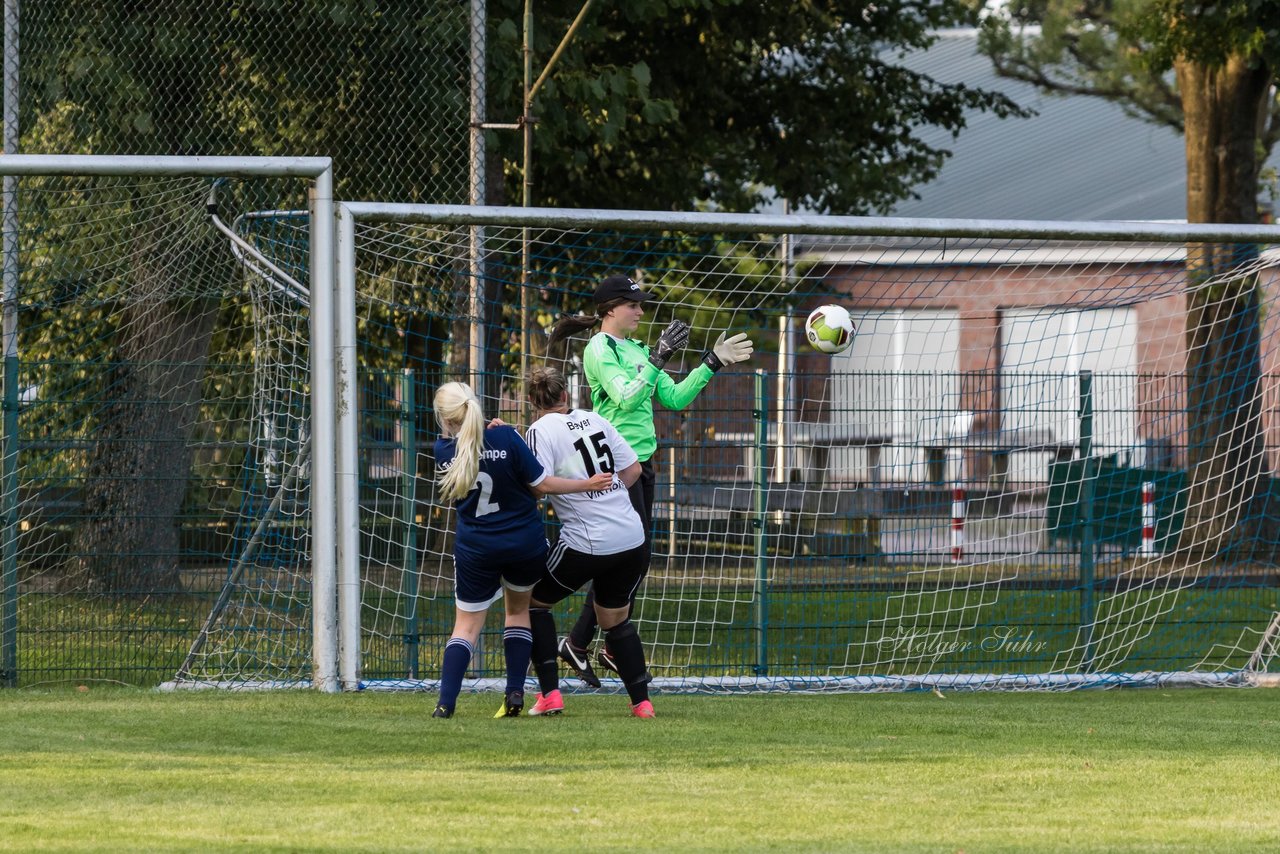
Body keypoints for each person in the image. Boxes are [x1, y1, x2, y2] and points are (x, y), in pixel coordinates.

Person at [545, 274, 753, 685]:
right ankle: (597, 642)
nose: (641, 311)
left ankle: (585, 643)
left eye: (641, 305)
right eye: (633, 305)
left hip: (644, 464)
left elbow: (674, 398)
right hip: (618, 469)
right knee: (633, 557)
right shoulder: (599, 349)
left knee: (632, 559)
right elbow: (624, 397)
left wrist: (712, 362)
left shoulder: (638, 349)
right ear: (610, 309)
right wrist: (657, 356)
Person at [430, 381, 613, 719]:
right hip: (523, 544)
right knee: (518, 614)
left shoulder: (442, 450)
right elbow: (539, 487)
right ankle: (515, 691)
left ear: (445, 418)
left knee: (466, 627)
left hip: (477, 548)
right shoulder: (508, 437)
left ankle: (445, 704)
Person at [520, 365, 655, 717]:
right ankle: (642, 704)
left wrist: (584, 491)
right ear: (566, 395)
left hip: (588, 541)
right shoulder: (596, 420)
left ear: (533, 402)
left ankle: (550, 694)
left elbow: (539, 485)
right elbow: (633, 470)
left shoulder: (539, 430)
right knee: (615, 620)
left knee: (531, 603)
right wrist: (607, 496)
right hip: (631, 537)